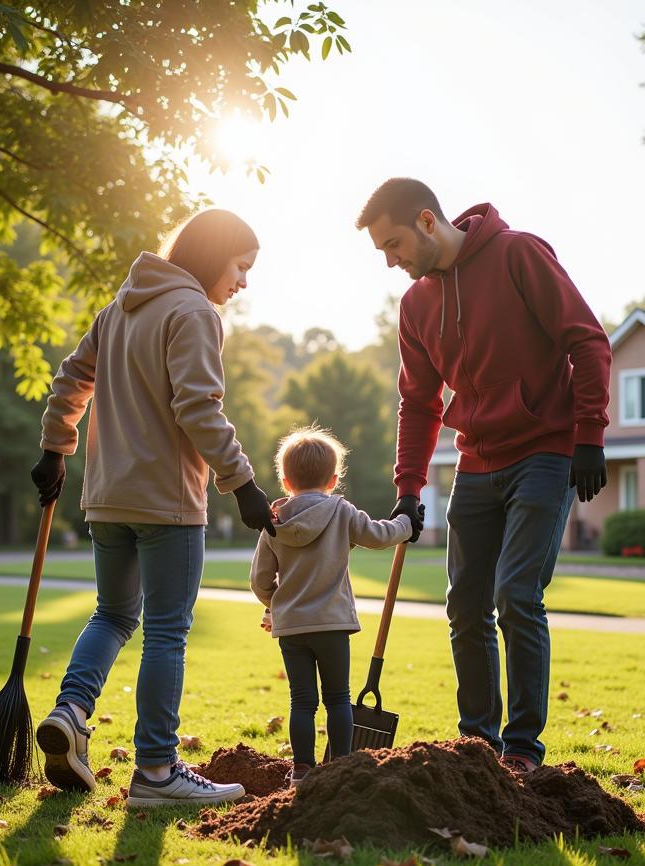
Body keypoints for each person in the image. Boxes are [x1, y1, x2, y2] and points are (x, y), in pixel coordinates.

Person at [356, 178, 611, 775]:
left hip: (545, 453)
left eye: (393, 245)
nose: (391, 261)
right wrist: (409, 488)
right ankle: (477, 747)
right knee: (465, 607)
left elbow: (587, 341)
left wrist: (589, 435)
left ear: (426, 220)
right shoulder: (415, 305)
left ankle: (521, 749)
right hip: (475, 462)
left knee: (516, 595)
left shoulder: (518, 253)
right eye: (381, 253)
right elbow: (417, 402)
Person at [30, 208, 276, 807]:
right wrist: (242, 483)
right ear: (214, 255)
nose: (243, 282)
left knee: (112, 615)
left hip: (107, 497)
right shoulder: (194, 311)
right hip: (166, 501)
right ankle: (158, 773)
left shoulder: (118, 310)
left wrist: (55, 447)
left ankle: (71, 712)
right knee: (167, 630)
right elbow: (198, 408)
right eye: (241, 267)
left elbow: (71, 380)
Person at [250, 426, 415, 786]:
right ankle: (342, 767)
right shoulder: (341, 511)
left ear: (285, 480)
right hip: (332, 624)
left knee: (302, 701)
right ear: (334, 479)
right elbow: (378, 535)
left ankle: (302, 770)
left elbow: (260, 581)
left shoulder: (273, 522)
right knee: (338, 698)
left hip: (292, 628)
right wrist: (406, 522)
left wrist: (275, 605)